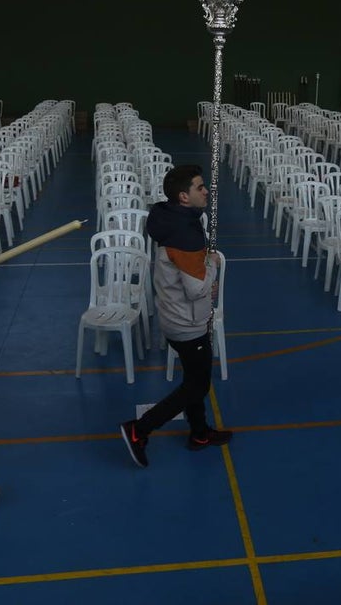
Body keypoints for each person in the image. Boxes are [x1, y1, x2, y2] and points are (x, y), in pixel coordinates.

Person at [120, 165, 232, 467]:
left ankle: (199, 434)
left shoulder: (170, 218)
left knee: (194, 379)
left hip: (176, 317)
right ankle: (138, 430)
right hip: (187, 323)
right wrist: (211, 267)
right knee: (197, 386)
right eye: (199, 187)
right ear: (184, 197)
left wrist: (204, 266)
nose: (205, 190)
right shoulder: (185, 236)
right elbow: (196, 290)